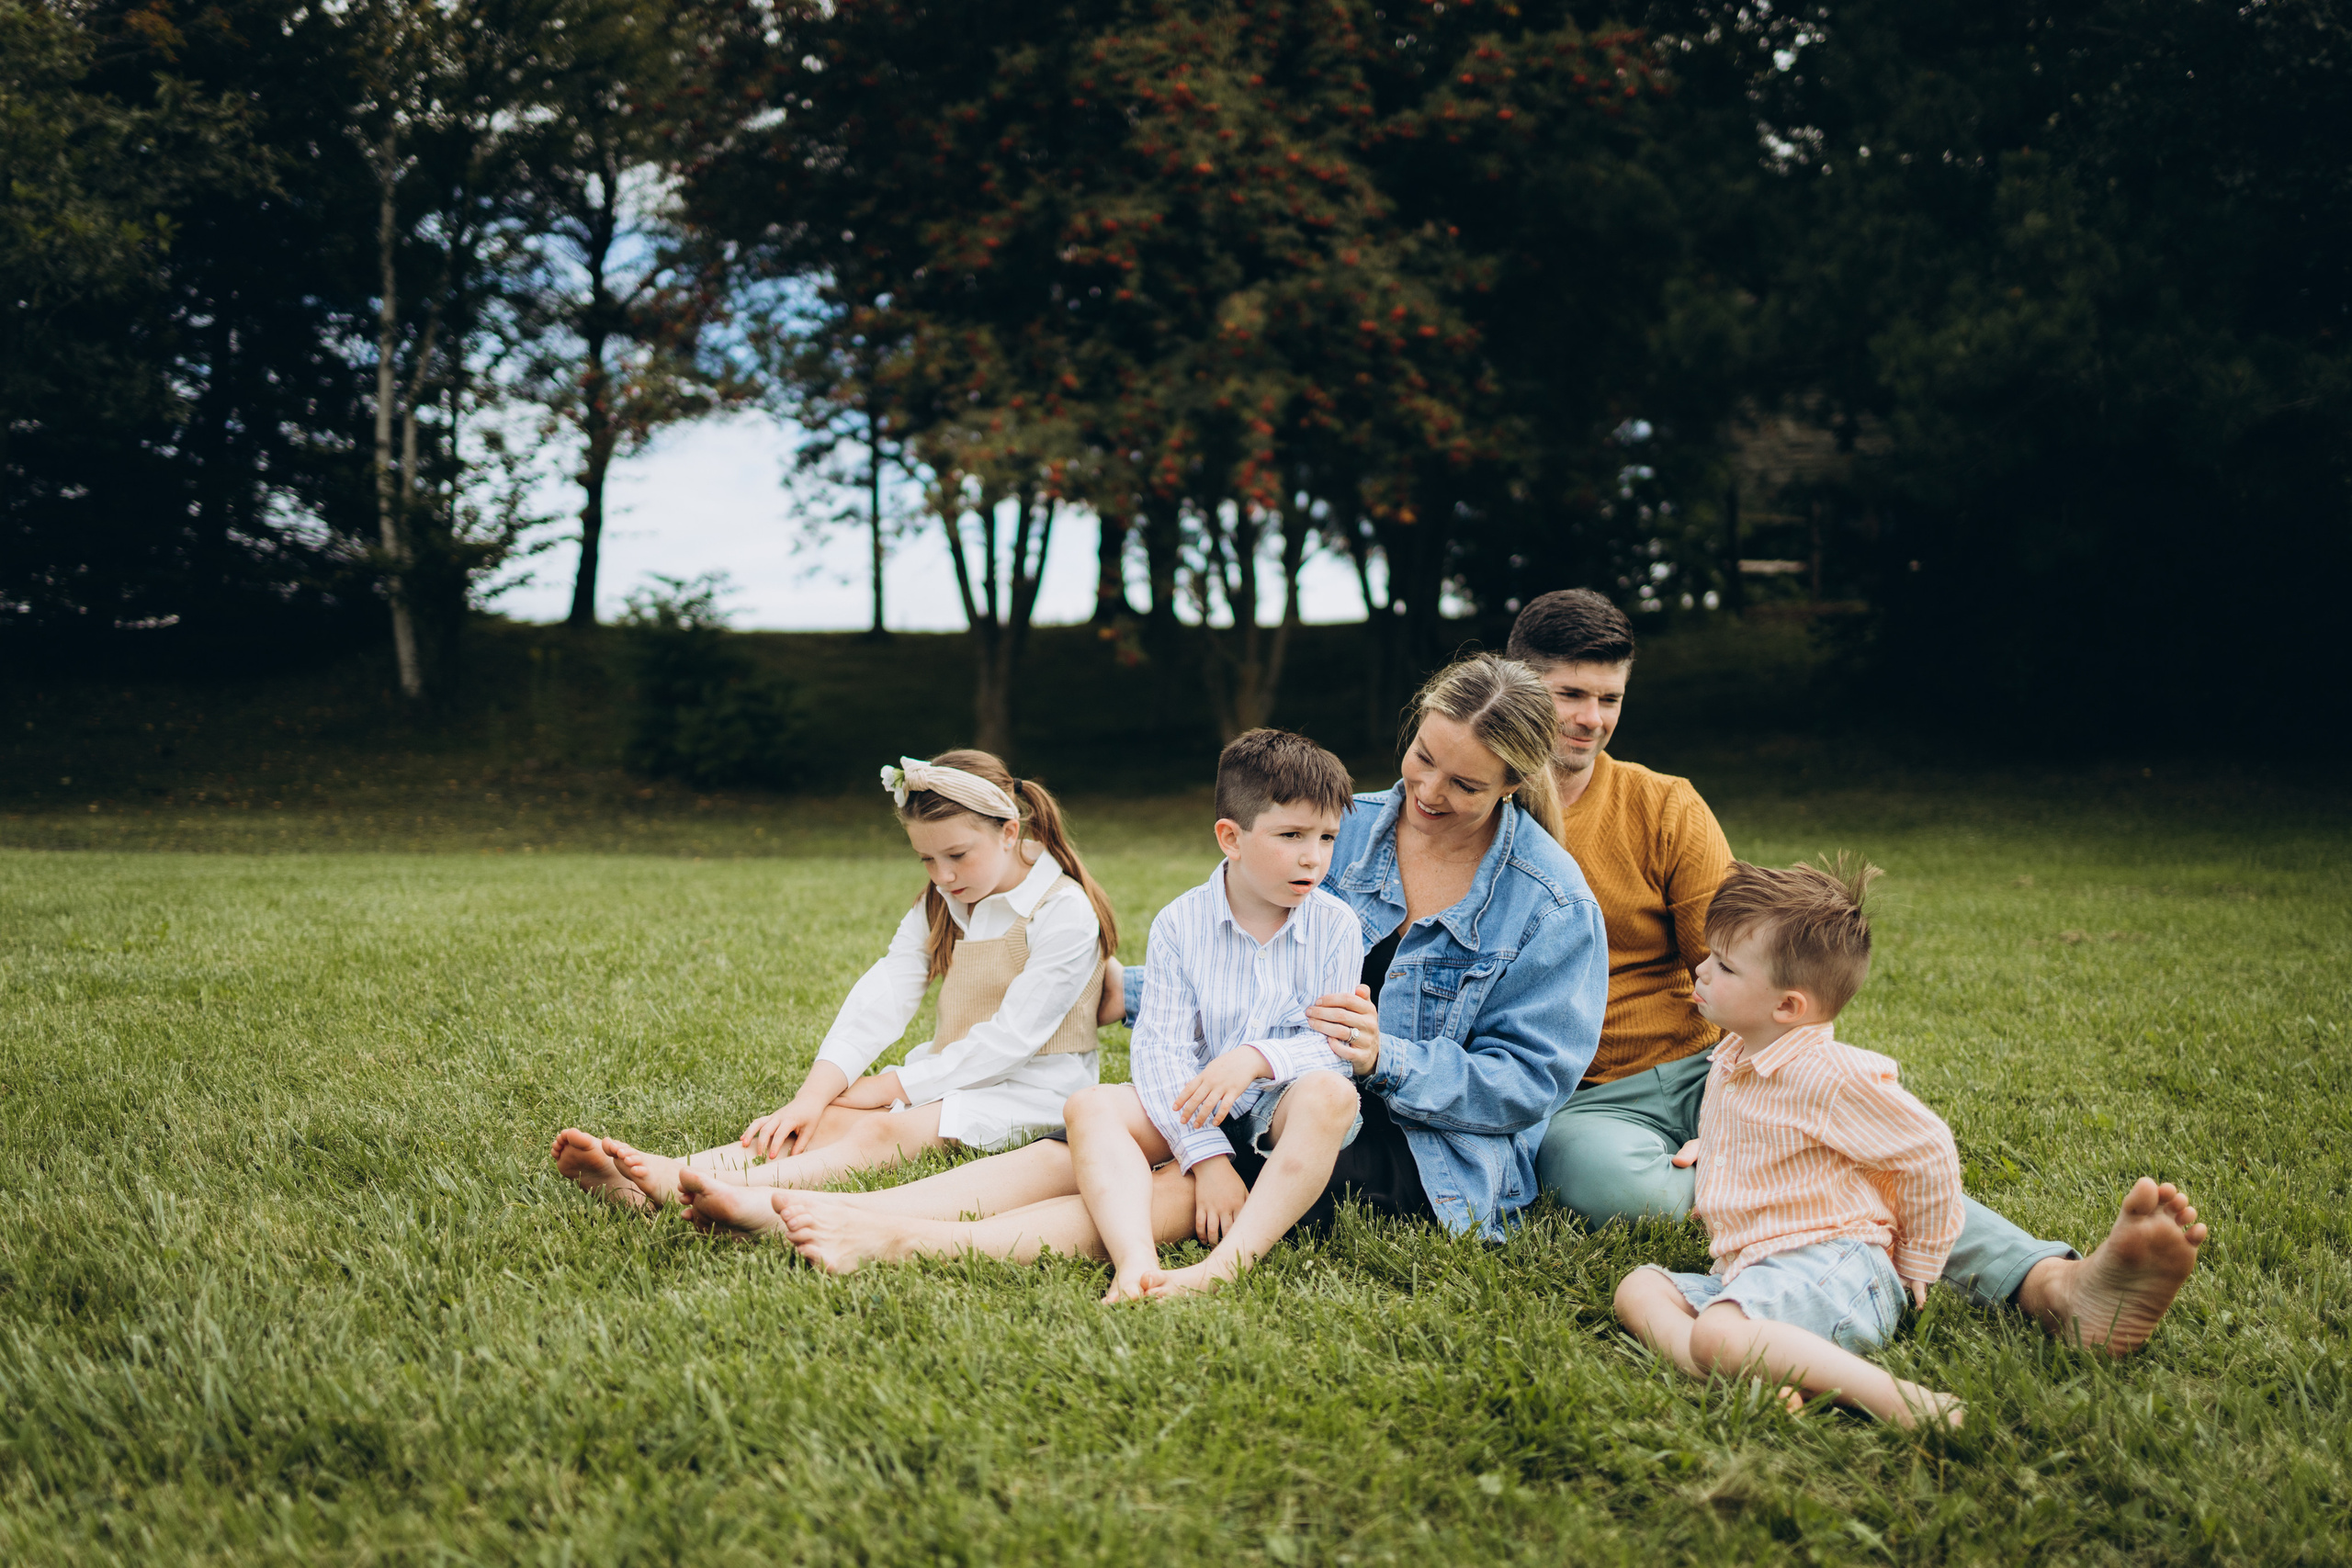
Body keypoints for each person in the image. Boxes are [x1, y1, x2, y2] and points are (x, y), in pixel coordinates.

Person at [677, 653, 1610, 1269]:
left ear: (1516, 784)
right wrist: (1110, 988)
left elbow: (1527, 1085)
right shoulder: (1342, 824)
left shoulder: (1549, 902)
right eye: (1420, 760)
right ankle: (769, 1191)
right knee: (1109, 1126)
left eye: (1465, 783)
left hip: (1416, 1146)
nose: (1428, 793)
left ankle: (895, 1241)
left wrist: (1386, 1058)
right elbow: (1239, 964)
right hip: (1265, 1087)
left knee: (1178, 1174)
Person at [1514, 587, 2210, 1354]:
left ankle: (2055, 1286)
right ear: (1517, 683)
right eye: (1569, 694)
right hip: (1593, 1102)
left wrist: (1735, 1117)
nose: (1592, 718)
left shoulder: (1662, 804)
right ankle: (1801, 1197)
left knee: (1844, 1139)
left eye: (1609, 697)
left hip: (1715, 1060)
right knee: (1601, 1180)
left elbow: (1758, 966)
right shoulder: (1484, 810)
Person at [549, 749, 1113, 1209]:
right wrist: (812, 1097)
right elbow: (886, 991)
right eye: (925, 860)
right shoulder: (944, 899)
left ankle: (709, 1190)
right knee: (834, 1113)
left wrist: (891, 1087)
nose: (942, 875)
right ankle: (672, 1175)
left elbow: (1013, 1038)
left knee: (882, 1132)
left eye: (957, 856)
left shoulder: (1063, 910)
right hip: (954, 1073)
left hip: (1038, 1090)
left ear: (1010, 832)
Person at [1612, 856, 1974, 1429]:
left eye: (1725, 967)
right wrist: (1721, 1148)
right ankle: (1746, 1374)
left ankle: (1899, 1401)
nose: (1701, 971)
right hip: (1759, 1273)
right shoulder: (1736, 1056)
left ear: (1787, 1006)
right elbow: (1769, 1131)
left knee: (1716, 1331)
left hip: (1839, 1266)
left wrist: (1921, 1258)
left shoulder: (1827, 1073)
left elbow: (1927, 1148)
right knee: (1640, 1288)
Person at [1063, 728, 1366, 1303]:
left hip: (1283, 1101)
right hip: (1192, 1098)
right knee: (1090, 1105)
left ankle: (1226, 1265)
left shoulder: (1336, 925)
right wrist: (1206, 1160)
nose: (1314, 856)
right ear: (1231, 837)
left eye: (1327, 837)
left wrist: (1255, 1058)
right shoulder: (1180, 924)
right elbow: (1160, 1051)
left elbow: (1332, 1044)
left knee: (1333, 1094)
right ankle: (1136, 1266)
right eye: (1292, 835)